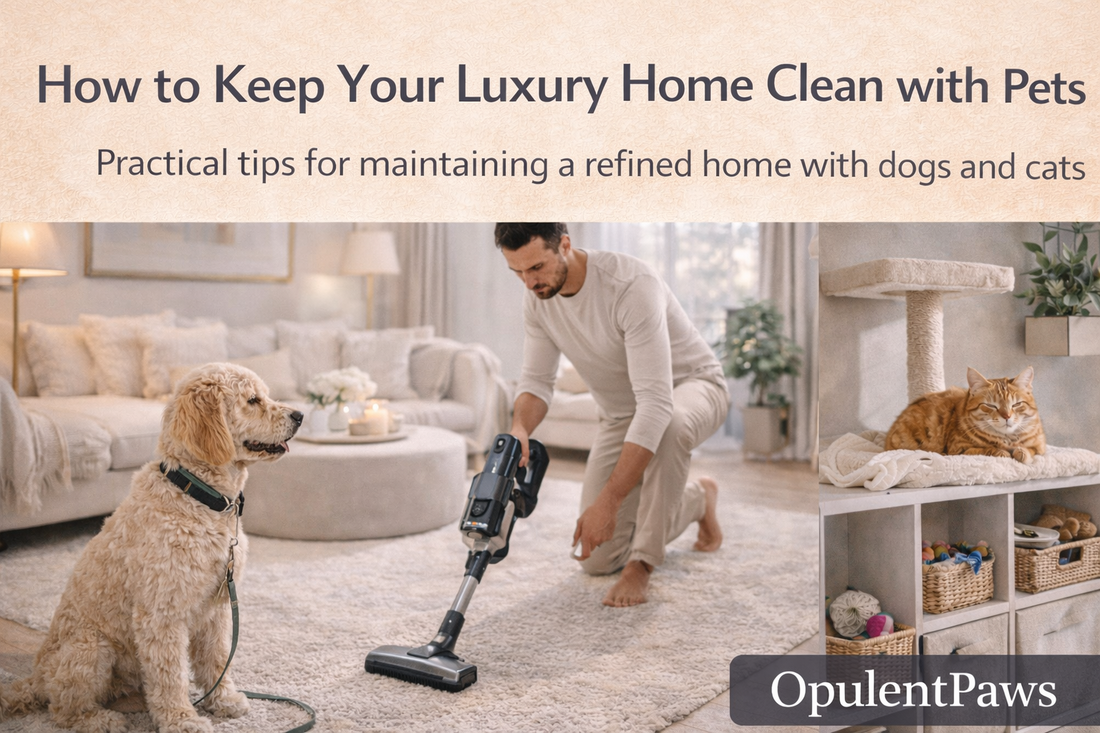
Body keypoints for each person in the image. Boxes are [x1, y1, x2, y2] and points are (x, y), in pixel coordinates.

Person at [495, 223, 730, 607]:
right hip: (621, 415)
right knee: (598, 559)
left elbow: (656, 405)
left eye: (536, 267)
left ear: (565, 245)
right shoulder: (537, 298)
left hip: (691, 387)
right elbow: (537, 381)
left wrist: (610, 500)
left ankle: (643, 564)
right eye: (517, 272)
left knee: (666, 428)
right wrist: (519, 427)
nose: (528, 281)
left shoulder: (630, 285)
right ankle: (697, 500)